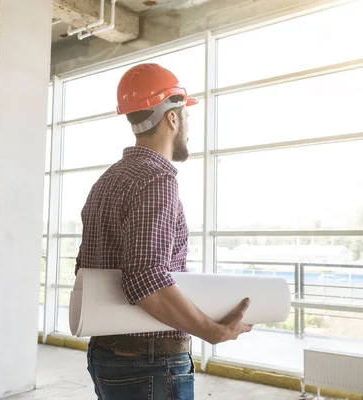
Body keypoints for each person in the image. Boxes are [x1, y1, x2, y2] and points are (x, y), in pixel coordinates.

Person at [74, 63, 252, 400]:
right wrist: (212, 331)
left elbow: (86, 271)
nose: (187, 127)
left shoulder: (107, 181)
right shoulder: (156, 180)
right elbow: (145, 278)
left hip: (108, 355)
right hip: (149, 362)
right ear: (172, 118)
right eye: (186, 116)